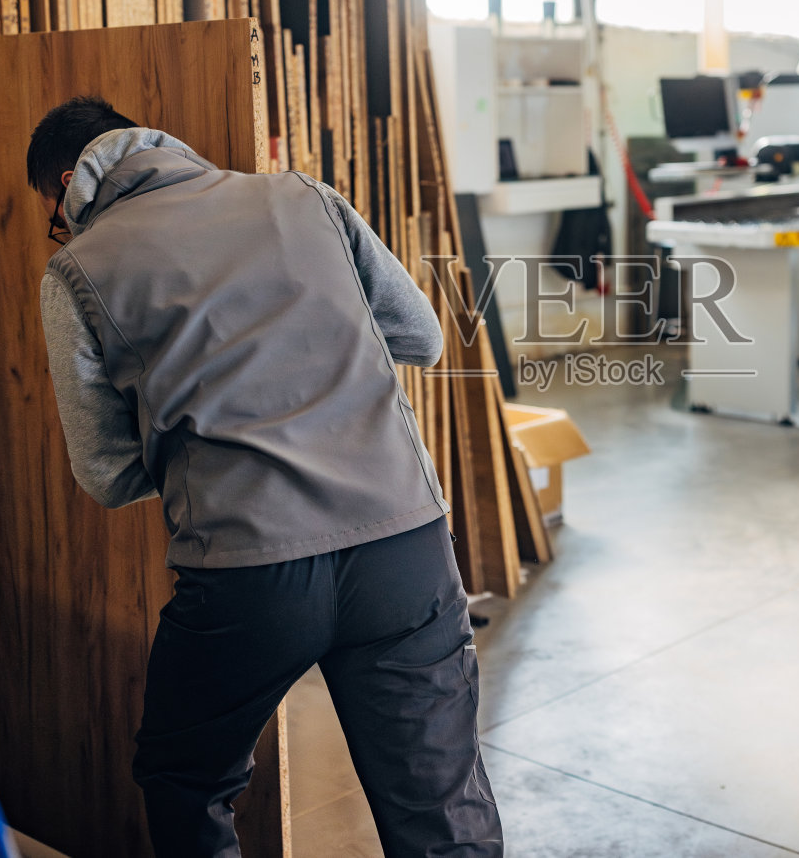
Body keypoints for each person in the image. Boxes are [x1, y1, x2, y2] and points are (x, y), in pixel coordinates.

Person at [26, 96, 502, 858]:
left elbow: (106, 473)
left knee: (184, 775)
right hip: (403, 546)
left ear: (65, 182)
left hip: (249, 573)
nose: (61, 227)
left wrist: (213, 443)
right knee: (440, 806)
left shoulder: (78, 267)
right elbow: (421, 334)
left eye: (55, 212)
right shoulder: (303, 197)